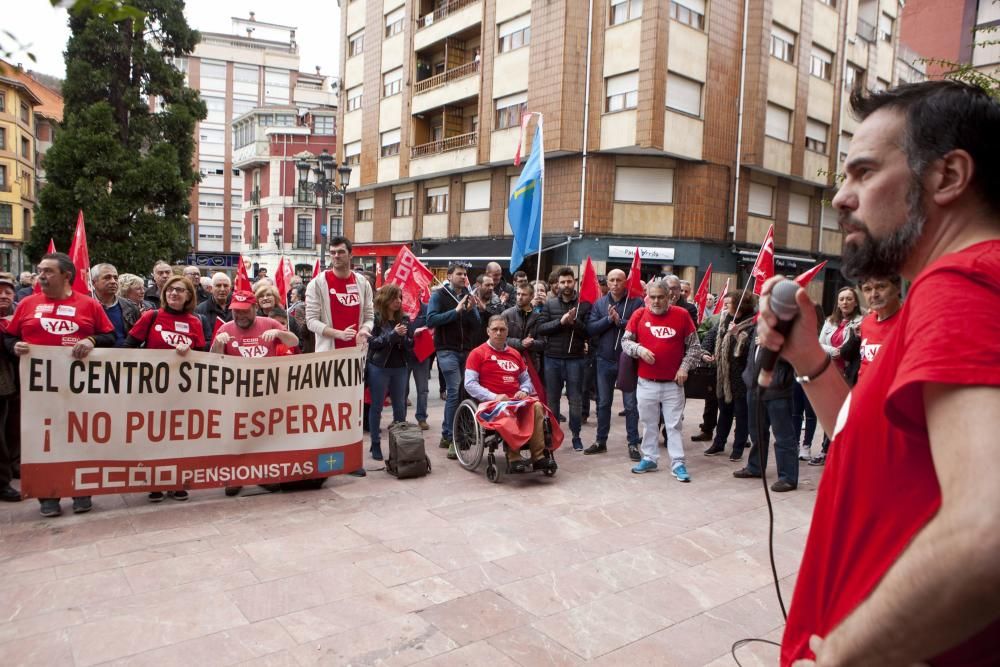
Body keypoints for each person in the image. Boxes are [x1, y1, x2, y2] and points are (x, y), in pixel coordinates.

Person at [755, 81, 1000, 665]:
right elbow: (872, 441)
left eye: (863, 173)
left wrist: (841, 655)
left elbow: (988, 530)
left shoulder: (962, 286)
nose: (841, 197)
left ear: (948, 176)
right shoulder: (941, 297)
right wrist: (809, 358)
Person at [4, 253, 116, 517]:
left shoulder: (89, 306)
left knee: (79, 438)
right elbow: (8, 338)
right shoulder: (27, 304)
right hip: (38, 391)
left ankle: (81, 492)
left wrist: (92, 341)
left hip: (80, 390)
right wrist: (14, 347)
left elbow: (110, 336)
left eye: (47, 271)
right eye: (40, 271)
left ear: (66, 275)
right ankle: (48, 495)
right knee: (43, 442)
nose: (41, 276)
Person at [124, 275, 206, 502]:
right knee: (154, 437)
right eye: (170, 289)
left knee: (179, 437)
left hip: (182, 391)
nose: (174, 293)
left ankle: (177, 482)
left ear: (189, 295)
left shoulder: (195, 322)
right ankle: (155, 483)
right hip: (152, 390)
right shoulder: (151, 317)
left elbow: (202, 356)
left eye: (180, 290)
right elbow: (128, 347)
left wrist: (190, 350)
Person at [212, 289, 298, 494]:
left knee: (265, 436)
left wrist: (280, 333)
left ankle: (263, 475)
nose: (240, 316)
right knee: (237, 437)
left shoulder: (268, 323)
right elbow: (213, 361)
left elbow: (294, 342)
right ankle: (234, 477)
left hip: (267, 393)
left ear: (254, 308)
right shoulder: (225, 327)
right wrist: (217, 343)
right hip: (236, 395)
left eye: (244, 311)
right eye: (236, 311)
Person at [305, 236, 374, 477]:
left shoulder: (363, 283)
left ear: (350, 255)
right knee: (327, 411)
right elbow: (310, 321)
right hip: (328, 358)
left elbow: (369, 316)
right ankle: (325, 460)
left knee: (352, 411)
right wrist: (338, 334)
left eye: (340, 252)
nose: (335, 256)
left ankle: (352, 460)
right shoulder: (317, 283)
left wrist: (364, 330)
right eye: (332, 253)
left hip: (356, 359)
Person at [621, 279, 700, 481]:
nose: (655, 301)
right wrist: (639, 349)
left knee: (673, 426)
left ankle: (678, 463)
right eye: (652, 297)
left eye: (660, 297)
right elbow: (625, 341)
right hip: (646, 382)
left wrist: (684, 367)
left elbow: (694, 347)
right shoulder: (639, 314)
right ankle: (650, 457)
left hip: (673, 384)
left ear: (670, 297)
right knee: (648, 423)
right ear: (647, 297)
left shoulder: (682, 315)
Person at [464, 315, 555, 473]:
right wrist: (494, 396)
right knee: (505, 409)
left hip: (516, 400)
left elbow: (526, 380)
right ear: (488, 331)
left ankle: (538, 457)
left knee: (538, 407)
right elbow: (470, 384)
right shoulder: (477, 353)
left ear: (507, 332)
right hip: (492, 403)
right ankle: (514, 457)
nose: (498, 333)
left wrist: (524, 390)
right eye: (495, 329)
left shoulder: (515, 354)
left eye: (502, 329)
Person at [585, 268, 643, 459]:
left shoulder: (636, 302)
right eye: (612, 280)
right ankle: (601, 441)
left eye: (619, 280)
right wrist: (609, 320)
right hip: (604, 360)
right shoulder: (600, 303)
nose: (615, 283)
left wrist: (620, 321)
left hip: (627, 361)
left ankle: (633, 443)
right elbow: (591, 329)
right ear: (607, 283)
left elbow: (640, 328)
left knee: (630, 405)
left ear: (625, 282)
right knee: (603, 403)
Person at [426, 262, 480, 459]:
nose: (463, 277)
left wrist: (472, 310)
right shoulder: (439, 295)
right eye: (459, 274)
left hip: (465, 350)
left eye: (465, 274)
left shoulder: (468, 294)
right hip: (446, 350)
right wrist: (455, 311)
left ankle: (447, 433)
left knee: (465, 391)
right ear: (449, 276)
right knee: (455, 391)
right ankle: (451, 435)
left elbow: (477, 325)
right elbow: (430, 320)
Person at [734, 334, 799, 491]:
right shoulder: (760, 322)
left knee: (783, 436)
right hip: (755, 388)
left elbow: (795, 355)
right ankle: (755, 466)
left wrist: (770, 345)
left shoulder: (790, 325)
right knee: (756, 432)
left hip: (777, 388)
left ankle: (788, 478)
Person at [536, 267, 591, 451]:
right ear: (557, 284)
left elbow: (589, 332)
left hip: (575, 359)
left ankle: (576, 435)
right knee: (552, 400)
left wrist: (575, 322)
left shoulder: (584, 304)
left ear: (574, 282)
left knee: (575, 399)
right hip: (552, 358)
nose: (566, 285)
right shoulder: (550, 304)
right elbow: (541, 328)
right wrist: (561, 322)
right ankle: (552, 434)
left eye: (569, 281)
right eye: (562, 282)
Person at [810, 286, 864, 464]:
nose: (845, 302)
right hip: (830, 374)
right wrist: (835, 352)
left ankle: (844, 452)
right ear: (837, 303)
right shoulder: (830, 321)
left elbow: (853, 349)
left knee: (847, 416)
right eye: (841, 299)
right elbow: (819, 345)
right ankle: (826, 450)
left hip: (850, 376)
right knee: (830, 414)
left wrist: (837, 351)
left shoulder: (861, 322)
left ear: (855, 302)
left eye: (849, 299)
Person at [703, 294, 755, 460]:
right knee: (724, 411)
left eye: (728, 304)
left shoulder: (752, 323)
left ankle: (738, 447)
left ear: (741, 305)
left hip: (741, 375)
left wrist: (736, 334)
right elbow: (711, 336)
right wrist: (705, 353)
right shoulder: (724, 319)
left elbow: (749, 350)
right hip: (723, 375)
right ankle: (719, 443)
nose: (724, 307)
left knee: (741, 414)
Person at [366, 284, 412, 461]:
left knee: (400, 407)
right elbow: (373, 342)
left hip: (400, 366)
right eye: (394, 298)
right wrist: (393, 335)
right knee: (376, 406)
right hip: (379, 367)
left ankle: (400, 444)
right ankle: (375, 444)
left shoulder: (405, 318)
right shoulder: (375, 319)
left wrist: (407, 339)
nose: (398, 301)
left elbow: (409, 344)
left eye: (400, 298)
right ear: (385, 299)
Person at [858, 274, 903, 381]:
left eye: (881, 287)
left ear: (898, 287)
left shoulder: (911, 321)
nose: (874, 294)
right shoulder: (866, 323)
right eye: (867, 289)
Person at [0, 274, 20, 501]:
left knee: (11, 431)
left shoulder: (13, 320)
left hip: (11, 385)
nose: (3, 296)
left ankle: (12, 467)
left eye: (7, 292)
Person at [91, 263, 141, 347]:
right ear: (94, 282)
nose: (113, 281)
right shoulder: (83, 306)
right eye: (107, 277)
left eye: (115, 278)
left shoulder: (131, 308)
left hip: (124, 358)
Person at [502, 282, 542, 370]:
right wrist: (521, 343)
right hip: (509, 361)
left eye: (524, 294)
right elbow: (501, 339)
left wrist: (532, 343)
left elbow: (543, 342)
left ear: (531, 296)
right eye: (518, 294)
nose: (520, 297)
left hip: (531, 362)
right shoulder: (506, 314)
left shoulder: (538, 317)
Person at [406, 301, 432, 431]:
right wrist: (411, 333)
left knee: (423, 389)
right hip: (404, 355)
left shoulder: (426, 309)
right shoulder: (402, 307)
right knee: (401, 390)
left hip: (421, 354)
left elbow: (433, 324)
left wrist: (427, 329)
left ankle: (422, 418)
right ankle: (399, 419)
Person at [195, 272, 233, 343]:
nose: (222, 289)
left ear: (230, 288)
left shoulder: (237, 308)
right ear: (211, 288)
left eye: (225, 286)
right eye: (218, 286)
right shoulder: (200, 309)